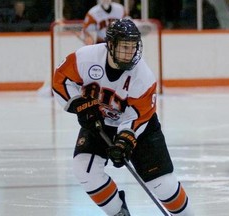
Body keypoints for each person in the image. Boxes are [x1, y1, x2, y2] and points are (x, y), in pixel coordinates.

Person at [52, 19, 194, 216]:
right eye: (124, 47)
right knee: (84, 169)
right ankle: (118, 212)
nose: (130, 53)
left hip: (140, 129)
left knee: (163, 185)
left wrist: (124, 140)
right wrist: (78, 105)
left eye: (133, 47)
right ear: (110, 45)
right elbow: (61, 80)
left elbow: (139, 115)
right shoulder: (86, 57)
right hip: (99, 120)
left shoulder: (142, 76)